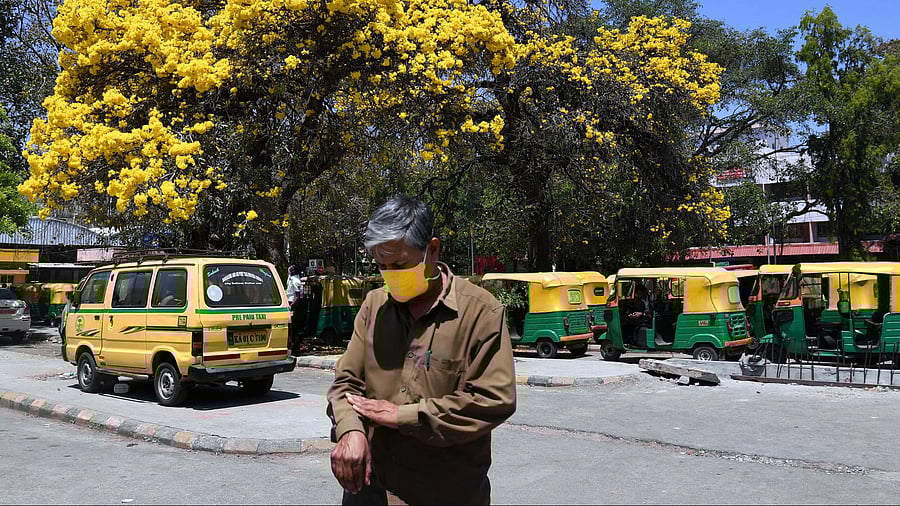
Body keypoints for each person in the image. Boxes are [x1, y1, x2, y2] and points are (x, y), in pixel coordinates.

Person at [326, 195, 517, 505]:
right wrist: (351, 431)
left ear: (432, 249)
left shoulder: (481, 312)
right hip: (369, 492)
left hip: (446, 494)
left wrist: (402, 416)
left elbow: (492, 399)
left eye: (400, 264)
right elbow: (346, 384)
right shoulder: (374, 306)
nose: (390, 275)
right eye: (382, 266)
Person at [285, 265, 306, 354]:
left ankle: (295, 349)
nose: (290, 270)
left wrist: (290, 307)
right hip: (290, 303)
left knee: (294, 328)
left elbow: (297, 297)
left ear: (294, 271)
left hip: (293, 305)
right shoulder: (290, 279)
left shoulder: (296, 281)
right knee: (291, 328)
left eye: (292, 269)